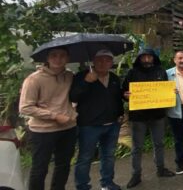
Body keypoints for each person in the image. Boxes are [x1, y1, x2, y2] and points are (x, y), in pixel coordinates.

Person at [20, 47, 77, 190]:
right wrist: (55, 116)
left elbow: (76, 97)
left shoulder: (70, 76)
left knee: (63, 166)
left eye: (62, 55)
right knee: (40, 168)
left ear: (68, 58)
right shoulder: (34, 79)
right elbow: (25, 107)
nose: (58, 59)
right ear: (47, 58)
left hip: (68, 128)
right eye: (54, 55)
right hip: (42, 131)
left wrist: (73, 112)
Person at [70, 49, 124, 190]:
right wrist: (86, 82)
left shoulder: (114, 78)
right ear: (93, 61)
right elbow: (73, 97)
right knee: (85, 158)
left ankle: (107, 183)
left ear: (111, 62)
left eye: (107, 60)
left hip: (112, 124)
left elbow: (117, 98)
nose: (103, 63)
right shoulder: (82, 76)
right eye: (99, 59)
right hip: (89, 125)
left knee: (109, 156)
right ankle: (82, 186)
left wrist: (121, 113)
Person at [122, 48, 175, 188]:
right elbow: (123, 92)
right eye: (143, 57)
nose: (146, 59)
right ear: (139, 58)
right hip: (138, 117)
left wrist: (171, 92)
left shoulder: (160, 71)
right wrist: (125, 95)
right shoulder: (132, 73)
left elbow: (166, 91)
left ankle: (161, 169)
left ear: (153, 58)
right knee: (136, 147)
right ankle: (136, 174)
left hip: (157, 115)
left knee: (159, 144)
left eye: (149, 57)